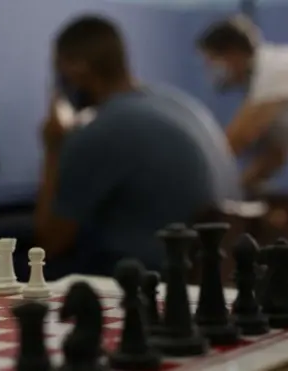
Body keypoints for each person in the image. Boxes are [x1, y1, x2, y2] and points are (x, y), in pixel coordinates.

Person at [34, 14, 240, 277]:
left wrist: (53, 148)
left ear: (76, 69)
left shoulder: (101, 131)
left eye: (59, 73)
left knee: (28, 270)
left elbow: (49, 242)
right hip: (214, 273)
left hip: (153, 281)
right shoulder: (178, 104)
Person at [197, 15, 288, 192]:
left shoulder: (274, 69)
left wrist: (197, 177)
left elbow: (240, 137)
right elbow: (274, 157)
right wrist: (237, 189)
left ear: (232, 53)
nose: (212, 68)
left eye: (212, 60)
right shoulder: (262, 85)